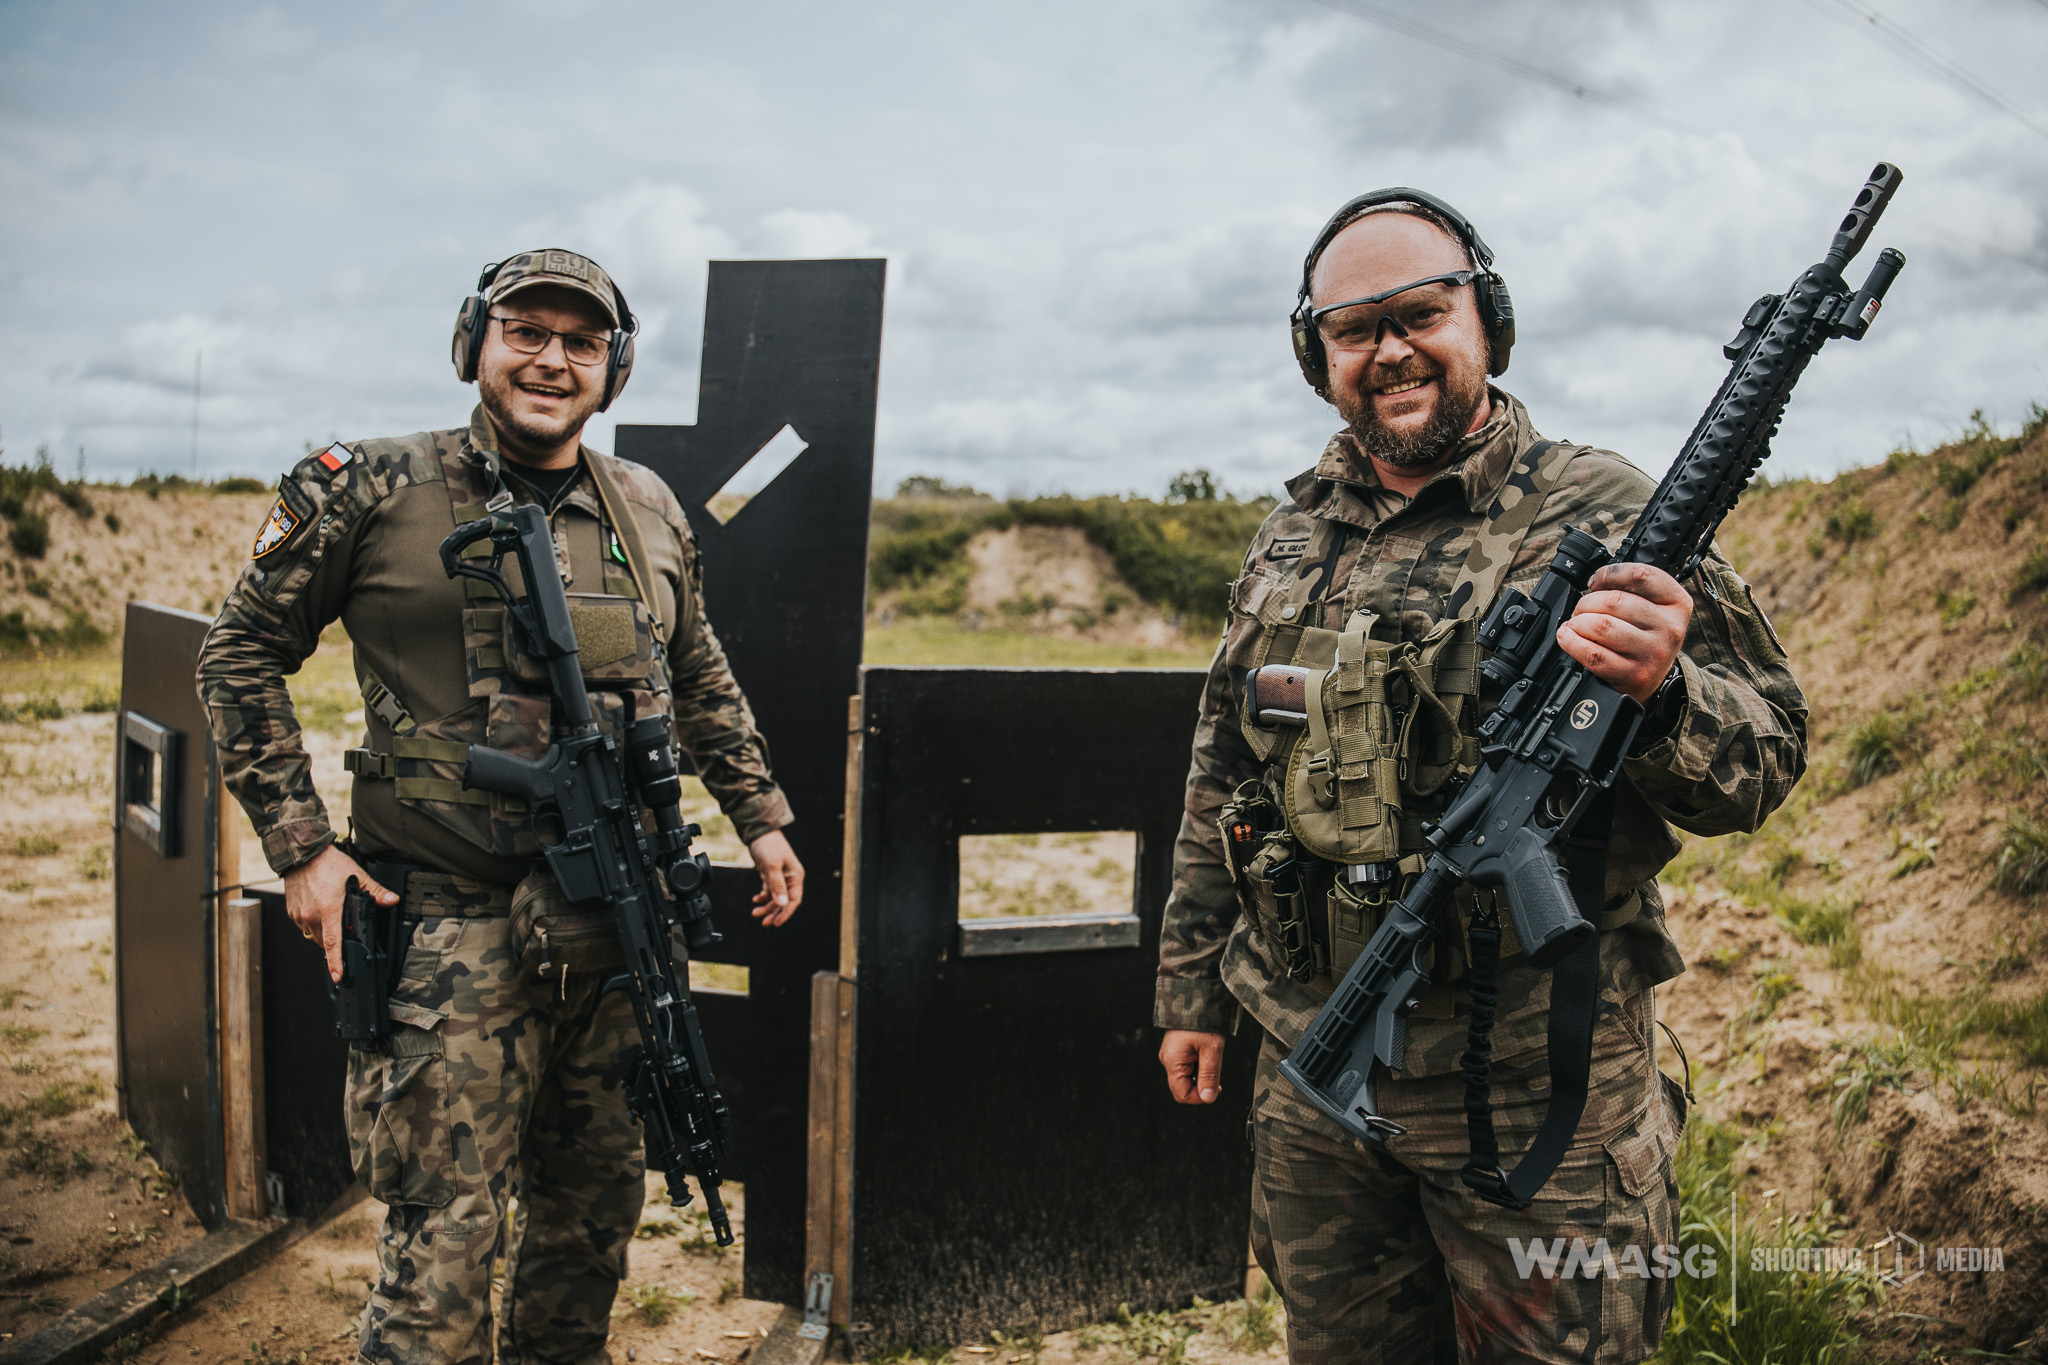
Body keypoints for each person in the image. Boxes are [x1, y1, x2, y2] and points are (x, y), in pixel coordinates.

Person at [1153, 192, 1807, 1363]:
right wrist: (1191, 991)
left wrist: (1662, 695)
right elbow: (1221, 773)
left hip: (1529, 1085)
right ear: (1319, 359)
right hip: (1312, 1065)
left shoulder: (1611, 515)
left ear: (1485, 323)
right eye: (1353, 330)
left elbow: (1760, 765)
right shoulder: (1289, 536)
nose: (1389, 349)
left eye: (1420, 313)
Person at [197, 248, 804, 1364]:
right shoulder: (371, 484)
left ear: (610, 371)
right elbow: (237, 652)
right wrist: (301, 848)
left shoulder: (648, 507)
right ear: (474, 340)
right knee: (441, 1250)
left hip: (616, 939)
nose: (551, 359)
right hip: (445, 934)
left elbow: (700, 671)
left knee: (589, 1227)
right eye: (527, 330)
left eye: (581, 342)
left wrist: (759, 814)